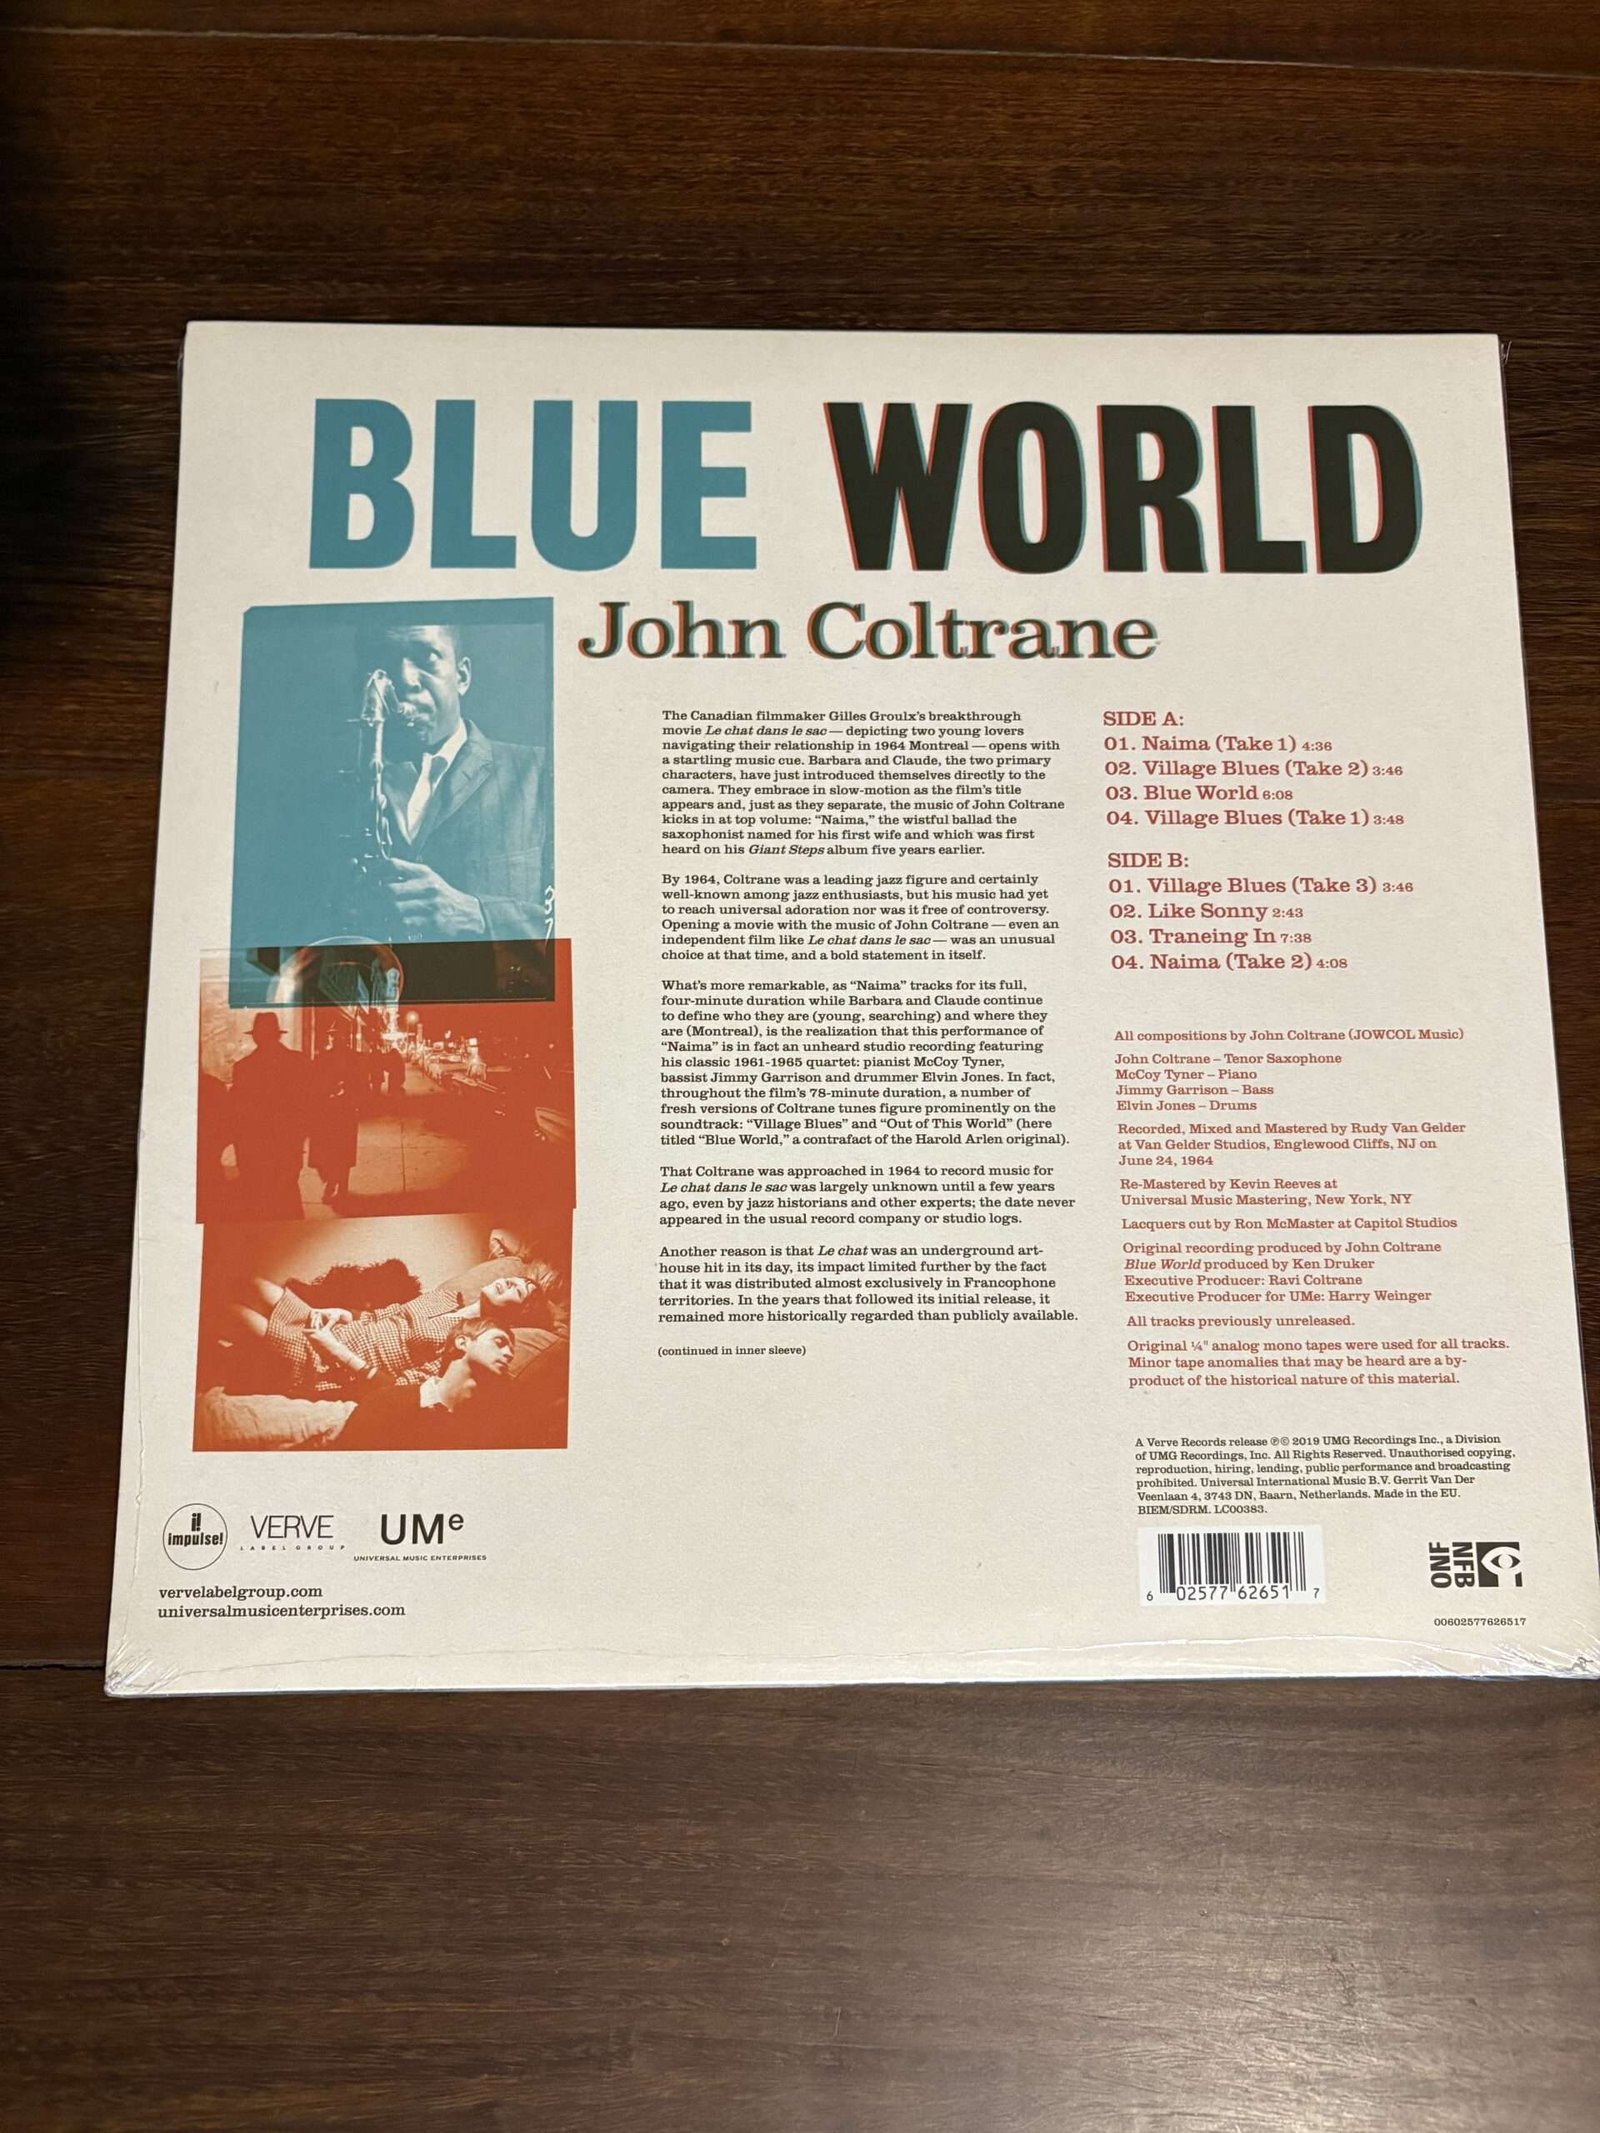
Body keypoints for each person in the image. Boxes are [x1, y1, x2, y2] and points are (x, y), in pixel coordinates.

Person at [374, 622, 552, 945]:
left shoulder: (540, 772)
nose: (404, 679)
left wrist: (481, 917)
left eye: (426, 658)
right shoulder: (341, 795)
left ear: (462, 676)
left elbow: (595, 923)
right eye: (386, 662)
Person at [229, 1012, 312, 1218]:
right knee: (287, 1200)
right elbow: (307, 1106)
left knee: (259, 1205)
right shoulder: (298, 1062)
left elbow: (237, 1114)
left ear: (255, 1037)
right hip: (287, 1146)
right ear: (278, 1035)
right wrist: (299, 1139)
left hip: (255, 1149)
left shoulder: (244, 1068)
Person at [308, 1026, 361, 1209]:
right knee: (329, 1153)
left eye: (337, 1035)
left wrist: (352, 1096)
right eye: (331, 1035)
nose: (333, 1038)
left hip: (346, 1111)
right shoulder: (322, 1058)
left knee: (344, 1153)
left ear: (344, 1037)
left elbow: (361, 1084)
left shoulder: (354, 1058)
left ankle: (341, 1188)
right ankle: (331, 1182)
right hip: (327, 1112)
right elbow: (314, 1083)